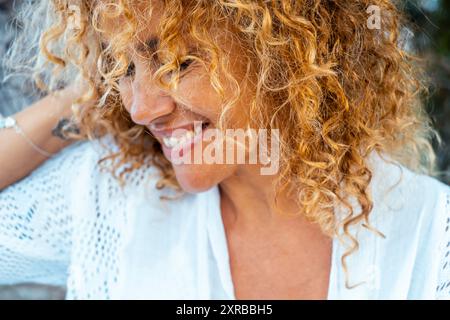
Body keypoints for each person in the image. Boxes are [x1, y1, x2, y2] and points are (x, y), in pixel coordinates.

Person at [0, 0, 449, 300]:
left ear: (282, 49)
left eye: (178, 62)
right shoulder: (110, 194)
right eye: (121, 66)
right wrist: (82, 101)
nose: (140, 108)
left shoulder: (432, 240)